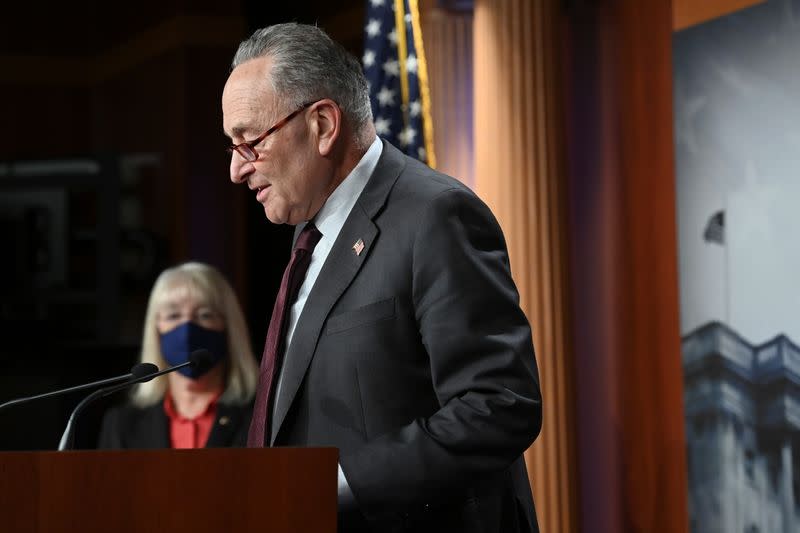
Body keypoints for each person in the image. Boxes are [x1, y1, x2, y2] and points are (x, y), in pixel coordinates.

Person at [222, 23, 543, 532]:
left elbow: (499, 405)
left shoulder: (434, 215)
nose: (238, 170)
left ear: (323, 125)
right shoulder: (311, 234)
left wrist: (340, 483)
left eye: (249, 141)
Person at [98, 262, 259, 449]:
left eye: (205, 315)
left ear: (229, 327)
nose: (187, 329)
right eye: (173, 315)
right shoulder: (122, 425)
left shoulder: (260, 417)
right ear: (156, 328)